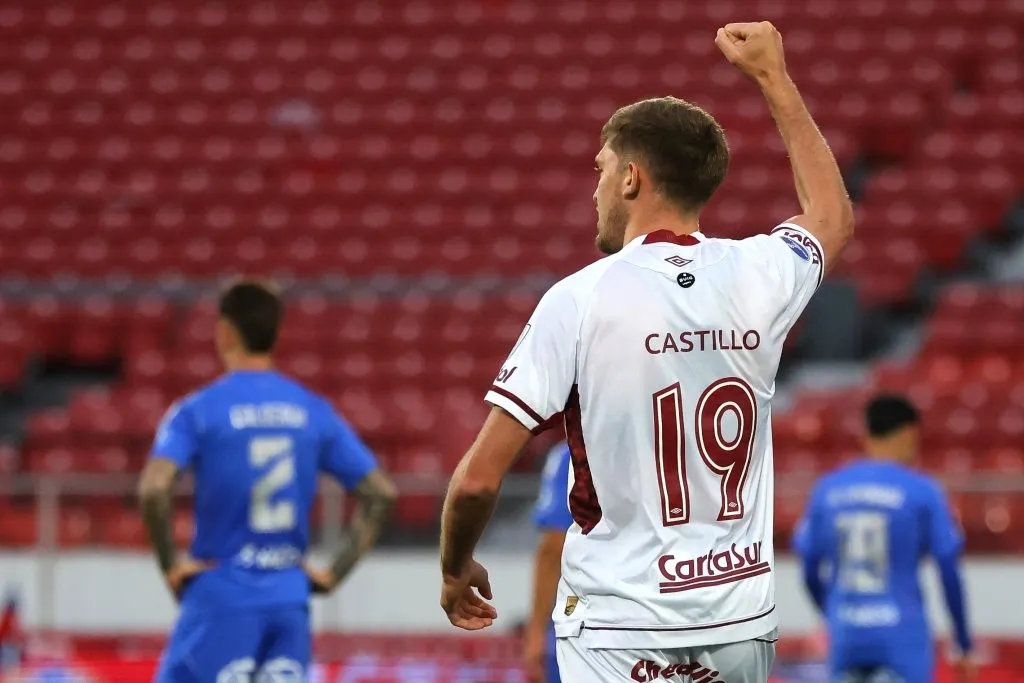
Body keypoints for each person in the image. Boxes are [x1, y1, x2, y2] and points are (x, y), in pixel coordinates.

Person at [438, 21, 853, 683]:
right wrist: (774, 78)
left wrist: (455, 566)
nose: (593, 189)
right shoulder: (759, 273)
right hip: (739, 620)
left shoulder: (579, 298)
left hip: (618, 624)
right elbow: (830, 216)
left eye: (601, 170)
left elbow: (478, 481)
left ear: (632, 178)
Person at [138, 281, 397, 683]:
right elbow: (379, 493)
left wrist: (170, 564)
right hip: (289, 601)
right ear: (277, 335)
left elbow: (154, 488)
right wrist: (333, 573)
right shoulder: (312, 410)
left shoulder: (198, 410)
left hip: (221, 594)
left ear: (224, 331)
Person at [794, 395, 974, 683]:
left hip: (847, 634)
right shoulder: (921, 490)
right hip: (903, 637)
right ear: (910, 433)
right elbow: (948, 570)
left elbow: (809, 570)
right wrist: (963, 643)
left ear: (866, 435)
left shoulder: (827, 490)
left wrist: (833, 613)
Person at [524, 444, 573, 683]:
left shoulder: (573, 453)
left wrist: (535, 632)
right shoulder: (670, 448)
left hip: (588, 621)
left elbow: (554, 546)